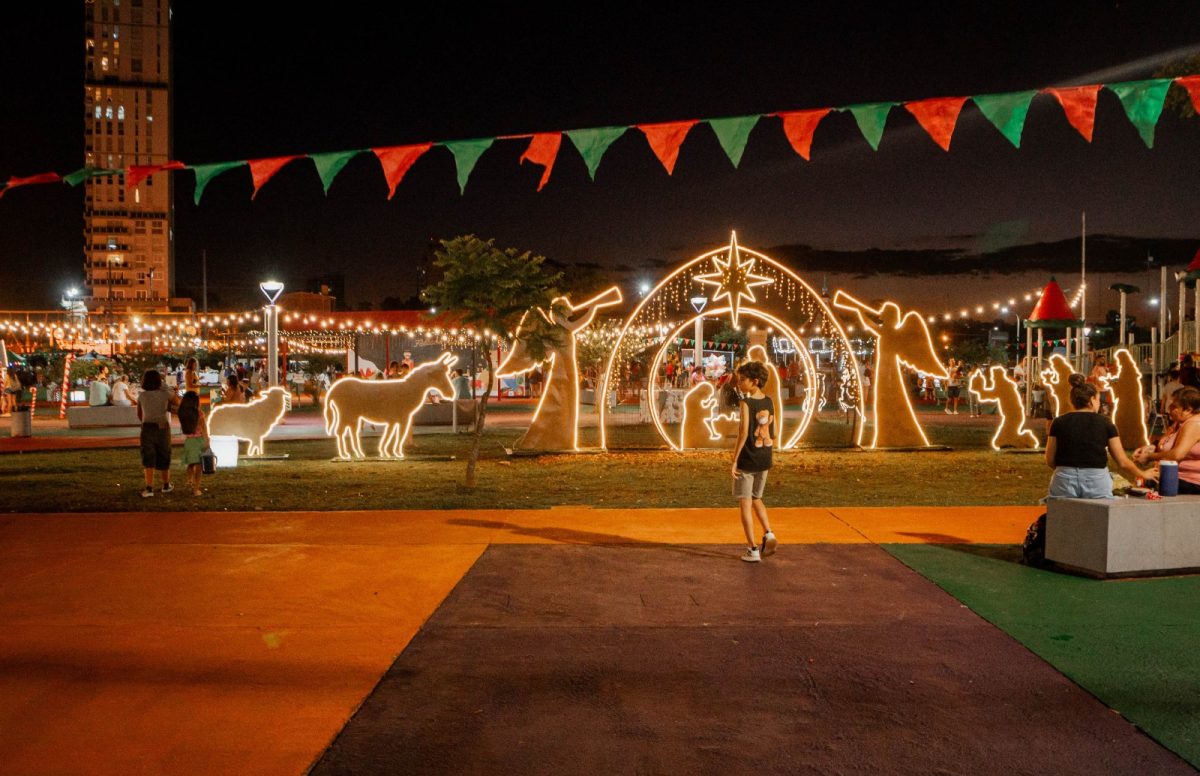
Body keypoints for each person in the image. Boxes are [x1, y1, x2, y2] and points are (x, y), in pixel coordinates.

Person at [1044, 374, 1149, 499]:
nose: (1099, 404)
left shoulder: (1058, 422)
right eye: (1098, 400)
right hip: (1096, 479)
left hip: (1064, 478)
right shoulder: (1105, 423)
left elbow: (1050, 459)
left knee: (1062, 515)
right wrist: (1143, 473)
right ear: (1092, 400)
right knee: (1099, 516)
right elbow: (1123, 462)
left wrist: (1069, 471)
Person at [731, 361, 778, 563]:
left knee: (745, 502)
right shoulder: (769, 402)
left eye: (742, 380)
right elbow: (772, 432)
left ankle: (752, 549)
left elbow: (743, 434)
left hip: (748, 458)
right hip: (764, 457)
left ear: (755, 382)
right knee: (757, 497)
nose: (739, 383)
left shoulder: (746, 404)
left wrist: (734, 460)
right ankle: (769, 533)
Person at [1134, 386, 1200, 494]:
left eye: (1174, 406)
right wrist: (1152, 447)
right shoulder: (1179, 423)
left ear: (1188, 409)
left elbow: (1177, 455)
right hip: (1176, 479)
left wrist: (1149, 457)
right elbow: (1167, 443)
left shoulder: (1194, 424)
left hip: (1190, 483)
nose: (1169, 408)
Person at [137, 369, 180, 498]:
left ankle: (149, 487)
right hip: (162, 427)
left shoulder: (142, 396)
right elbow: (177, 402)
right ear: (159, 381)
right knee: (164, 454)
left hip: (147, 427)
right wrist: (166, 388)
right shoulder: (165, 394)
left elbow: (139, 415)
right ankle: (166, 485)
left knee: (148, 457)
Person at [177, 391, 209, 497]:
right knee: (199, 466)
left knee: (191, 463)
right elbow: (204, 429)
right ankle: (196, 489)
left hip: (189, 441)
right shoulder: (199, 414)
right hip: (198, 440)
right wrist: (207, 440)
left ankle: (189, 481)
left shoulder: (182, 413)